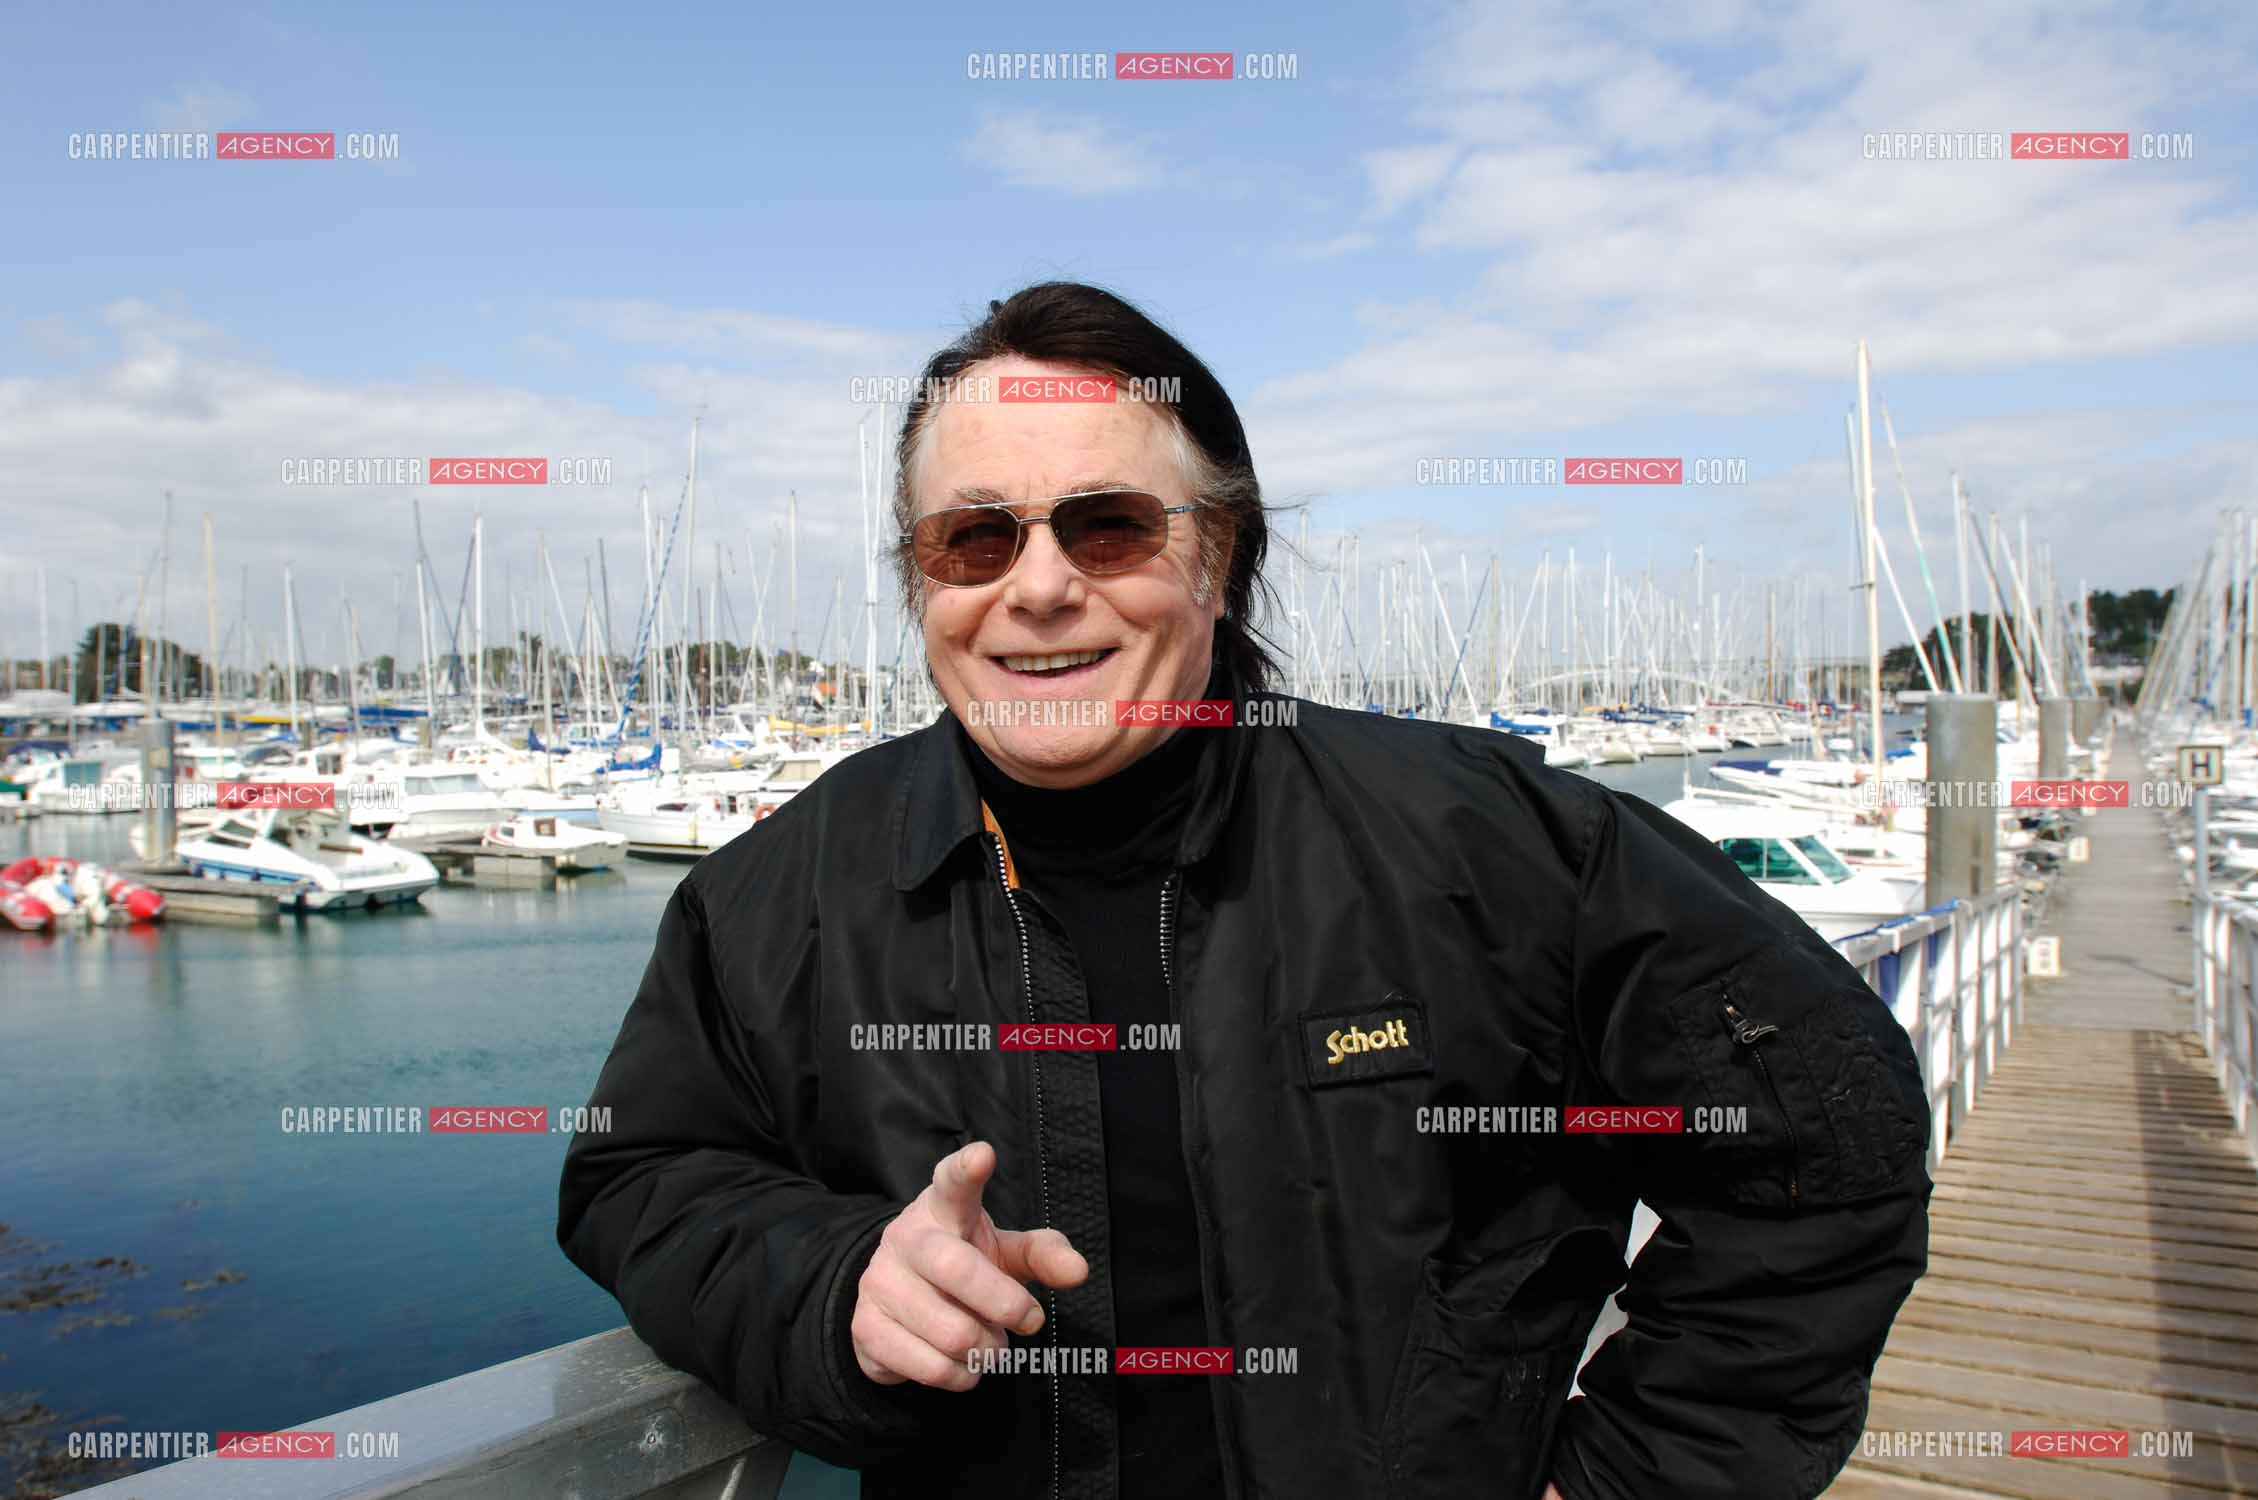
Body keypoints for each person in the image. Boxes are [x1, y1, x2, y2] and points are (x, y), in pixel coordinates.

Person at [558, 281, 1931, 1500]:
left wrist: (1631, 1478)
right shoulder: (780, 895)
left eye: (1107, 528)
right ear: (921, 580)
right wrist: (831, 1281)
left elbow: (1821, 1143)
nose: (1035, 588)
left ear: (1219, 556)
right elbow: (644, 1174)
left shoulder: (1485, 843)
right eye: (973, 538)